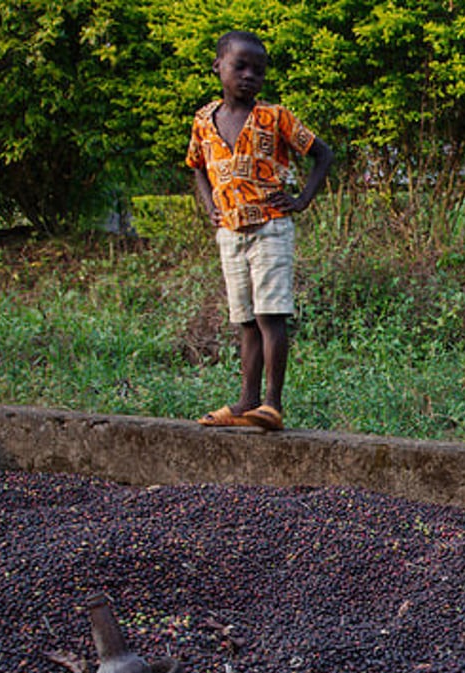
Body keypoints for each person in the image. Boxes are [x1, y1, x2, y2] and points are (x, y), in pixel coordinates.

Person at [187, 30, 334, 431]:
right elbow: (196, 165)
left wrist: (302, 199)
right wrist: (210, 207)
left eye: (259, 70)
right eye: (240, 66)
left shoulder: (275, 117)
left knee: (271, 315)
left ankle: (271, 405)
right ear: (218, 66)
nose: (249, 76)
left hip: (271, 228)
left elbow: (323, 154)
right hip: (230, 233)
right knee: (245, 319)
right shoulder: (204, 120)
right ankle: (246, 402)